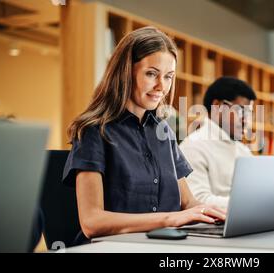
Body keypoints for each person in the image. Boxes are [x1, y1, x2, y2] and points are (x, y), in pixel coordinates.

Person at [62, 26, 225, 244]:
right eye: (151, 74)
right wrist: (170, 219)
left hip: (161, 245)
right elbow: (92, 222)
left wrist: (225, 215)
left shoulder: (163, 132)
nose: (162, 86)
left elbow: (188, 204)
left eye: (168, 77)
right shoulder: (93, 131)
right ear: (126, 72)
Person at [179, 76, 257, 208]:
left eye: (249, 113)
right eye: (240, 110)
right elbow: (197, 201)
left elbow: (256, 193)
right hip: (212, 226)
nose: (245, 120)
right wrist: (253, 204)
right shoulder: (193, 146)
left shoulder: (243, 150)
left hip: (246, 221)